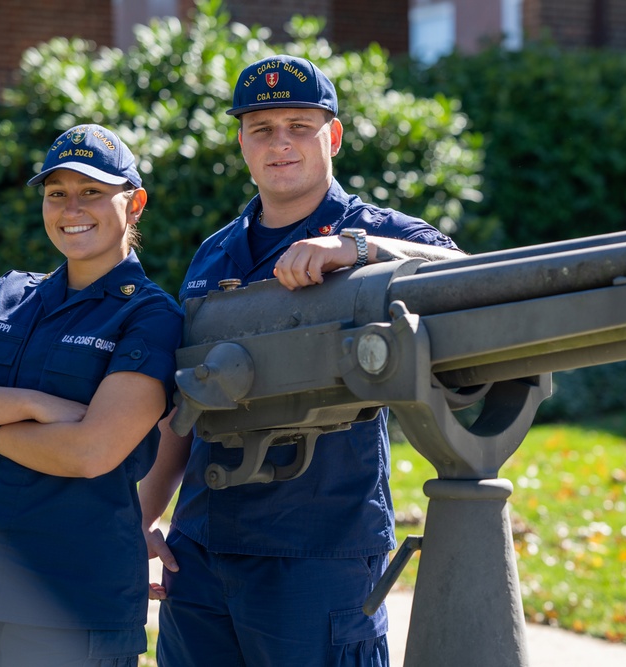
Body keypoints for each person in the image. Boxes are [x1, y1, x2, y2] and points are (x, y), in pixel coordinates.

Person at [139, 55, 466, 667]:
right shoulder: (214, 255)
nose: (280, 143)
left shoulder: (372, 231)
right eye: (262, 129)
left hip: (321, 552)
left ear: (333, 137)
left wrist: (356, 249)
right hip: (204, 548)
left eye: (299, 126)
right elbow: (185, 402)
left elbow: (467, 277)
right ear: (242, 143)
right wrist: (141, 518)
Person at [0, 124, 184, 667]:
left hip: (70, 600)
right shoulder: (4, 295)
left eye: (92, 191)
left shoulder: (150, 317)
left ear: (135, 203)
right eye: (57, 194)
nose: (71, 207)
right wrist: (31, 404)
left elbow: (89, 452)